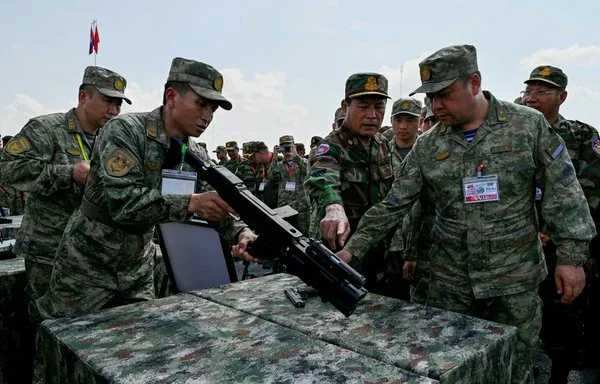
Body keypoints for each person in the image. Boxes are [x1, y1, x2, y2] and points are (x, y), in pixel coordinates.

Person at [336, 45, 595, 384]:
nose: (435, 105)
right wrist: (350, 251)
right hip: (451, 285)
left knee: (515, 369)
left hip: (513, 281)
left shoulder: (526, 126)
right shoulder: (429, 145)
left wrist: (572, 258)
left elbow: (564, 192)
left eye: (444, 94)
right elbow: (394, 203)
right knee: (454, 370)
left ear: (474, 83)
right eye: (430, 96)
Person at [36, 57, 258, 320]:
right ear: (172, 96)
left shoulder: (195, 153)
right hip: (88, 263)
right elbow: (123, 202)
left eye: (213, 110)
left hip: (136, 269)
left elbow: (215, 197)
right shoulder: (126, 131)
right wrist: (191, 203)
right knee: (66, 342)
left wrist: (241, 231)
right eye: (201, 104)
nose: (207, 116)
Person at [0, 66, 131, 324]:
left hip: (93, 253)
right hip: (50, 251)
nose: (114, 111)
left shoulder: (113, 139)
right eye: (107, 101)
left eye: (118, 104)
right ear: (83, 97)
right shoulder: (46, 129)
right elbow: (7, 170)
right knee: (50, 327)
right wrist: (68, 173)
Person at [521, 65, 600, 382]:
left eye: (542, 91)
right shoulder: (512, 134)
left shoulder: (582, 136)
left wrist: (553, 231)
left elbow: (590, 193)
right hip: (519, 245)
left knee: (562, 316)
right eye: (529, 90)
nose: (532, 97)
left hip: (560, 248)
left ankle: (560, 373)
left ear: (562, 97)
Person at [305, 72, 394, 294]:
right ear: (346, 106)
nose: (372, 115)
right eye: (363, 106)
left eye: (379, 107)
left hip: (380, 250)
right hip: (343, 252)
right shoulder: (331, 145)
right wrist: (333, 206)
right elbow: (322, 176)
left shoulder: (382, 143)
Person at [268, 135, 311, 234]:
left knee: (304, 234)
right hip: (285, 206)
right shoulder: (279, 165)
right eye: (283, 146)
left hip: (302, 207)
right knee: (286, 235)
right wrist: (274, 158)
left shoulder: (302, 162)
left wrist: (295, 155)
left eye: (288, 145)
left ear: (294, 146)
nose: (286, 148)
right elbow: (271, 177)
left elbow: (309, 171)